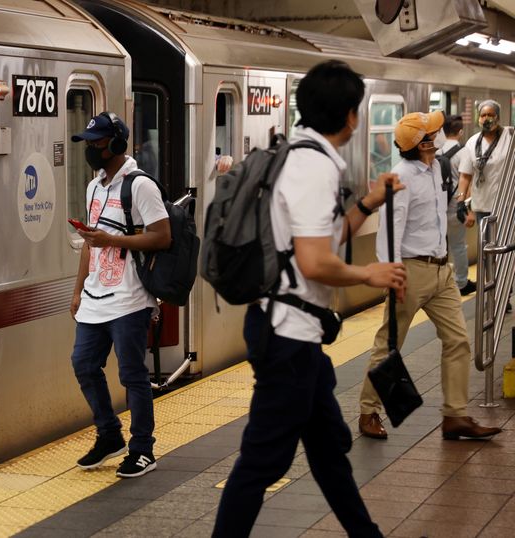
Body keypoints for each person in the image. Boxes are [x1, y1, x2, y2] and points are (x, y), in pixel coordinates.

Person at [213, 60, 406, 537]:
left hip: (290, 331)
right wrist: (370, 273)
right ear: (350, 116)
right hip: (289, 339)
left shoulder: (295, 154)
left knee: (328, 451)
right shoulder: (315, 166)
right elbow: (315, 262)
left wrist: (366, 203)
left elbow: (318, 239)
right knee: (261, 462)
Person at [358, 111, 502, 442]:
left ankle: (455, 416)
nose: (438, 135)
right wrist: (392, 274)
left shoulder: (437, 167)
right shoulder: (401, 177)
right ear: (422, 142)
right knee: (389, 343)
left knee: (458, 341)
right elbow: (390, 231)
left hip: (441, 270)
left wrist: (459, 209)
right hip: (410, 271)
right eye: (432, 133)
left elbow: (439, 211)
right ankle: (368, 411)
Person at [69, 112, 171, 478]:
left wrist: (113, 240)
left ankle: (143, 448)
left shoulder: (140, 185)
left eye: (97, 143)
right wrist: (78, 288)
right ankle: (110, 435)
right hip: (95, 297)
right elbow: (89, 244)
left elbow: (162, 236)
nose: (92, 149)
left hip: (130, 297)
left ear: (115, 143)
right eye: (89, 143)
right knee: (83, 364)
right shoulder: (94, 186)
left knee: (132, 375)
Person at [457, 99, 513, 312]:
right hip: (482, 208)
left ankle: (504, 292)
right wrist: (462, 201)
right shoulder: (472, 143)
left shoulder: (510, 138)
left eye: (490, 114)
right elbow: (464, 177)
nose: (486, 119)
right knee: (487, 253)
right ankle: (491, 293)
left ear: (498, 117)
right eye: (483, 115)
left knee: (503, 253)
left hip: (507, 206)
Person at [438, 114, 475, 295]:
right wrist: (466, 208)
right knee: (458, 246)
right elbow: (465, 180)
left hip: (437, 208)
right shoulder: (464, 152)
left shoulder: (436, 150)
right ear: (460, 132)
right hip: (455, 207)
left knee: (439, 248)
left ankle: (439, 283)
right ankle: (461, 283)